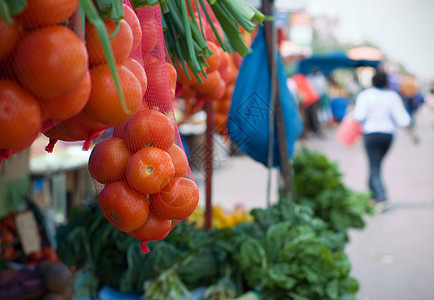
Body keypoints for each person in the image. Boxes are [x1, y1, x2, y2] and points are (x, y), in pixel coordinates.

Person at [353, 70, 419, 212]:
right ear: (387, 82)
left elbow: (358, 116)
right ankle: (373, 195)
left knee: (374, 165)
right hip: (387, 136)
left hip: (371, 134)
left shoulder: (365, 96)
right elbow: (402, 118)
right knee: (375, 164)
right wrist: (413, 135)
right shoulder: (392, 96)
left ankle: (380, 197)